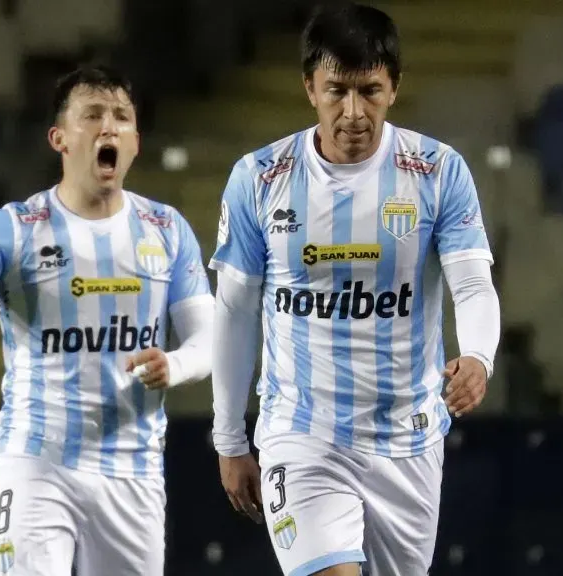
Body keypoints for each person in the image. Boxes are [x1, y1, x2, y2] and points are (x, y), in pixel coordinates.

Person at [208, 3, 501, 575]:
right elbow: (236, 312)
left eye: (369, 90)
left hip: (408, 439)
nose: (353, 112)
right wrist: (229, 437)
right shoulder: (260, 179)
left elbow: (473, 285)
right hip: (301, 432)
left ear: (394, 88)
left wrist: (479, 357)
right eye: (336, 90)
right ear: (309, 88)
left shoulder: (439, 172)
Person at [0, 65, 214, 576]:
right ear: (59, 139)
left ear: (135, 142)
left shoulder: (166, 230)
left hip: (133, 475)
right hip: (39, 467)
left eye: (122, 118)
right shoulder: (16, 229)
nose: (109, 127)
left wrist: (174, 364)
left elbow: (206, 341)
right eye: (93, 115)